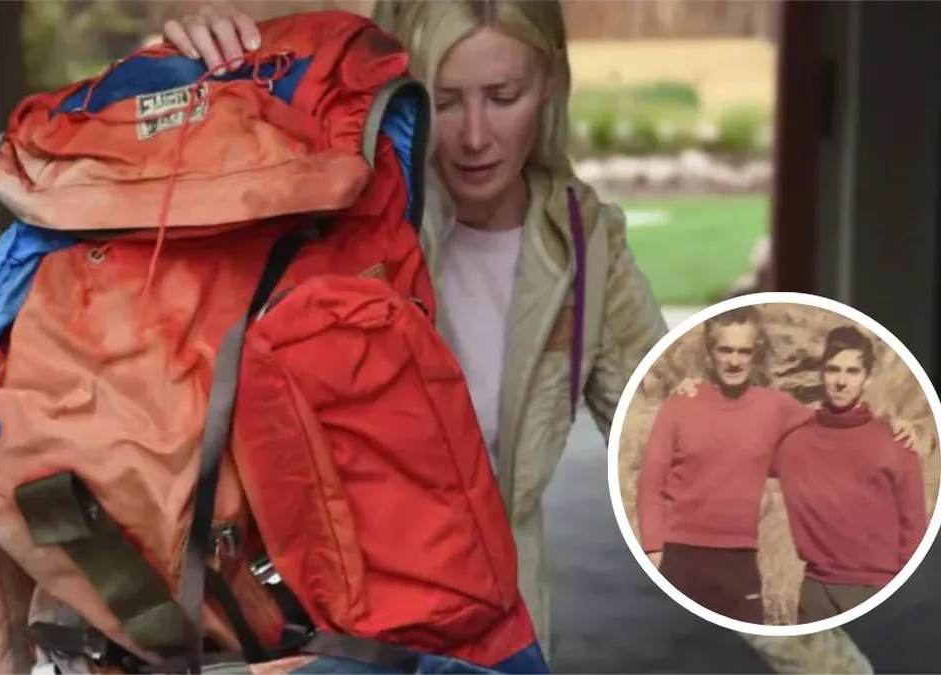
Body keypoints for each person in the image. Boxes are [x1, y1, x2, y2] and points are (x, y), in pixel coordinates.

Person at [155, 2, 874, 672]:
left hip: (500, 638)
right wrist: (179, 68)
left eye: (503, 97)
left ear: (552, 83)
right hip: (316, 638)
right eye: (442, 99)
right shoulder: (319, 222)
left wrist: (834, 663)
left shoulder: (585, 248)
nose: (473, 137)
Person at [637, 307, 812, 624]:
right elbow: (651, 481)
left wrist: (897, 425)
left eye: (744, 351)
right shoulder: (680, 404)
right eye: (725, 350)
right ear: (710, 353)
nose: (734, 360)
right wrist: (652, 550)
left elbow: (833, 429)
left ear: (755, 354)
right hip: (679, 556)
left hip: (739, 561)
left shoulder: (774, 406)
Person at [775, 326, 928, 623]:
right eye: (833, 370)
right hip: (815, 590)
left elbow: (915, 530)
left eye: (852, 371)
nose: (841, 381)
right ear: (821, 374)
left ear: (867, 377)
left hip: (878, 589)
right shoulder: (794, 443)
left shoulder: (895, 443)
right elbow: (738, 444)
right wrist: (695, 392)